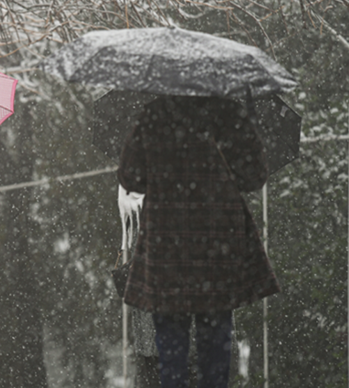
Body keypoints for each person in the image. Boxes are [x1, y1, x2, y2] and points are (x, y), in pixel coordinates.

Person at [117, 96, 281, 388]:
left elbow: (132, 179)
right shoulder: (229, 112)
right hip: (217, 243)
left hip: (167, 244)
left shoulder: (154, 114)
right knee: (216, 339)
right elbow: (254, 177)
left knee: (171, 344)